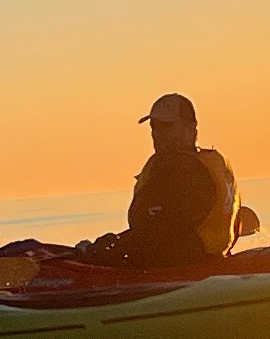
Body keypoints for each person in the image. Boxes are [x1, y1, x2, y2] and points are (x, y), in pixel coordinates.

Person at [80, 93, 245, 270]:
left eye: (167, 126)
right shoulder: (212, 162)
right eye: (154, 127)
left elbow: (158, 232)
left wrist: (100, 251)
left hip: (180, 265)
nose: (158, 134)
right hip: (208, 259)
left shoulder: (178, 169)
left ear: (191, 128)